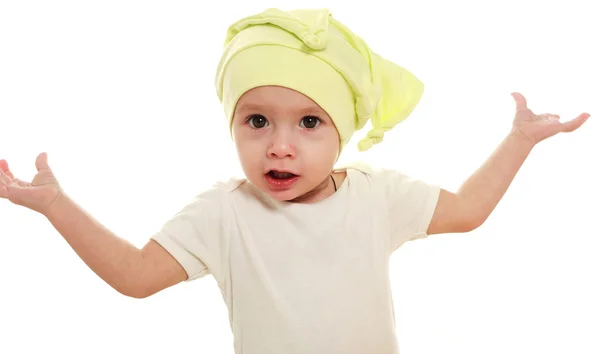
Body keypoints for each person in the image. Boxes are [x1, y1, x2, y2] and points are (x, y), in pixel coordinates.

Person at [0, 7, 590, 354]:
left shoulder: (376, 194)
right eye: (256, 121)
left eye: (310, 122)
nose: (279, 144)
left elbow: (465, 211)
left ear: (345, 131)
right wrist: (56, 206)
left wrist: (518, 142)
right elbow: (134, 277)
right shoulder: (221, 213)